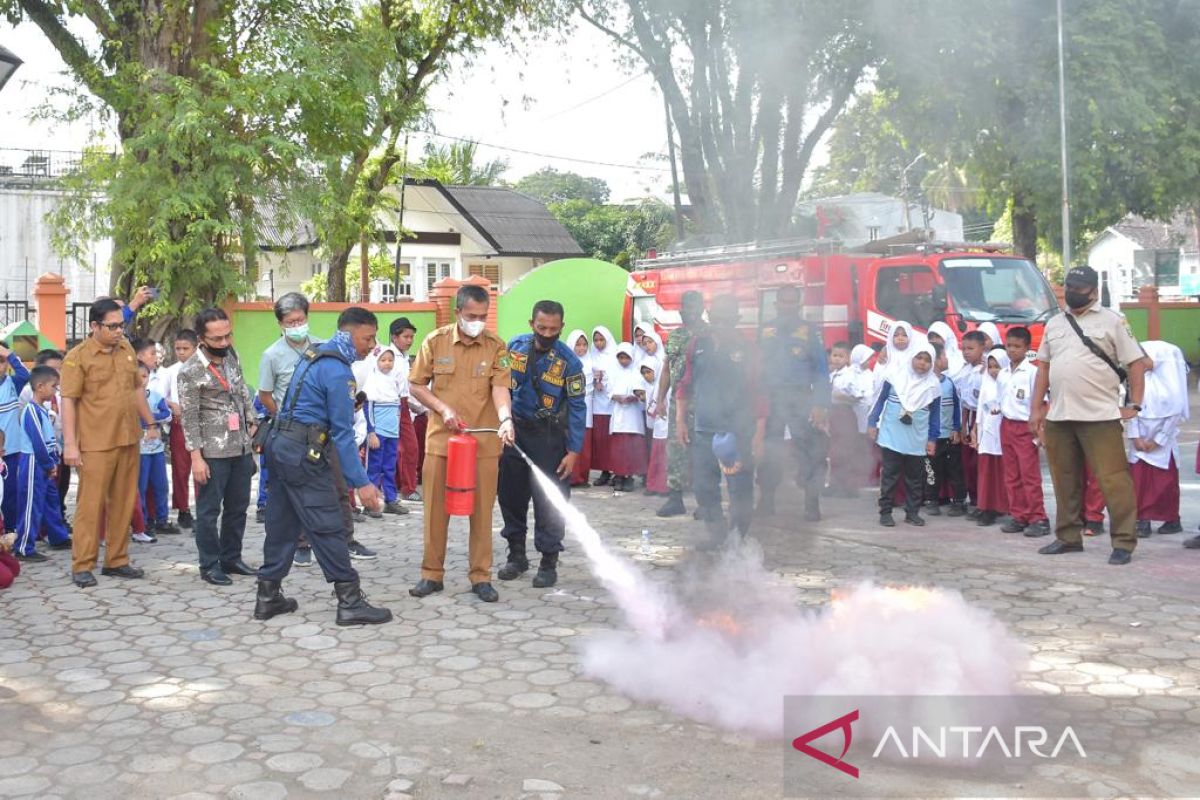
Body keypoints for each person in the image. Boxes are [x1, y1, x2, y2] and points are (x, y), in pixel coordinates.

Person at [256, 307, 392, 625]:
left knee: (282, 523)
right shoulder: (338, 370)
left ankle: (267, 596)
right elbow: (343, 435)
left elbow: (309, 404)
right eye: (367, 338)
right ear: (347, 334)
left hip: (280, 445)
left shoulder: (314, 355)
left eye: (374, 338)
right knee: (328, 524)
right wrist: (362, 483)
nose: (371, 346)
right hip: (304, 454)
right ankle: (350, 600)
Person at [1030, 266, 1150, 565]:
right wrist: (1036, 409)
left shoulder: (1113, 321)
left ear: (1093, 291)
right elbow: (1043, 367)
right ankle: (1068, 537)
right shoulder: (1055, 323)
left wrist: (1135, 405)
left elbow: (1136, 363)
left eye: (1079, 288)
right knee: (1064, 480)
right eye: (1069, 286)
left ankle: (1123, 541)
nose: (1072, 292)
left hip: (1101, 416)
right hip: (1060, 415)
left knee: (1114, 481)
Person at [408, 285, 514, 603]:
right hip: (442, 441)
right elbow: (416, 385)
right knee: (435, 512)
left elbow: (500, 387)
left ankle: (481, 577)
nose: (477, 321)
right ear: (458, 312)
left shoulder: (497, 346)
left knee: (481, 513)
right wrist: (443, 409)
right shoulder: (434, 341)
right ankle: (432, 575)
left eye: (483, 317)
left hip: (483, 443)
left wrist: (506, 418)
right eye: (471, 316)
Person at [60, 297, 161, 588]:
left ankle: (116, 560)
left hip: (128, 437)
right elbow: (69, 400)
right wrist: (70, 444)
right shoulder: (77, 357)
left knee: (124, 501)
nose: (119, 330)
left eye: (122, 325)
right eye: (113, 326)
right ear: (94, 326)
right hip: (95, 442)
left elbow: (137, 391)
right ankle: (82, 564)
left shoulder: (127, 349)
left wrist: (151, 423)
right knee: (90, 505)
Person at [497, 300, 586, 589]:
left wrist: (573, 451)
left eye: (553, 328)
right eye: (541, 327)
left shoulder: (570, 363)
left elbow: (577, 407)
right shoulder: (516, 348)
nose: (547, 333)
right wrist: (504, 422)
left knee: (550, 502)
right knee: (511, 496)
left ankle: (549, 561)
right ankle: (517, 556)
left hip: (549, 438)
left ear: (562, 327)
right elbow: (502, 387)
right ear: (531, 324)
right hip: (515, 432)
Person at [675, 294, 766, 544]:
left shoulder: (748, 349)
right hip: (704, 430)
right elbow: (685, 385)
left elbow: (759, 392)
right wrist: (680, 421)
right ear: (710, 318)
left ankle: (737, 539)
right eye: (717, 319)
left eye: (727, 320)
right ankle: (716, 536)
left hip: (737, 433)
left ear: (735, 320)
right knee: (704, 488)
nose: (721, 325)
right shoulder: (697, 345)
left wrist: (759, 434)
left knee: (739, 489)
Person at [178, 307, 258, 586]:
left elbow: (241, 390)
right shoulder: (190, 371)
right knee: (209, 511)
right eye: (217, 339)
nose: (224, 343)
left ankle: (231, 557)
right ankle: (210, 565)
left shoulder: (232, 356)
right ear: (202, 338)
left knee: (238, 507)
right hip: (212, 452)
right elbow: (188, 417)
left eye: (227, 336)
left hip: (240, 447)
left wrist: (252, 420)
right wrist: (196, 458)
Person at [757, 285, 830, 521]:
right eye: (783, 302)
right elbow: (755, 369)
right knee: (769, 450)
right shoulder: (765, 330)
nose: (787, 306)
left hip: (801, 398)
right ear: (776, 304)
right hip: (772, 397)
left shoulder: (810, 331)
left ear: (798, 305)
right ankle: (766, 501)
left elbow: (821, 369)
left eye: (792, 302)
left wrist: (820, 404)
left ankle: (812, 504)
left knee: (810, 451)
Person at [868, 342, 941, 527]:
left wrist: (932, 438)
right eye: (919, 358)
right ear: (911, 357)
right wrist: (872, 422)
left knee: (915, 478)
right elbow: (880, 401)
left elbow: (935, 416)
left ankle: (912, 512)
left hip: (917, 438)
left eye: (927, 360)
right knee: (890, 475)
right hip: (892, 434)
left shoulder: (933, 386)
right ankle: (885, 511)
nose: (922, 363)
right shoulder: (894, 376)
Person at [1127, 341, 1187, 538]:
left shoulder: (1172, 385)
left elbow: (1174, 414)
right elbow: (1132, 408)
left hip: (1162, 443)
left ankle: (1171, 518)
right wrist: (1135, 437)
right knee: (1138, 481)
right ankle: (1142, 519)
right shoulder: (1138, 380)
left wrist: (1158, 440)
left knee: (1164, 482)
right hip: (1140, 441)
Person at [654, 291, 706, 518]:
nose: (688, 312)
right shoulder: (675, 336)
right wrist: (660, 399)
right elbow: (667, 368)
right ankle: (675, 499)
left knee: (703, 452)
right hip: (678, 402)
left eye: (693, 307)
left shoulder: (710, 336)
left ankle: (706, 503)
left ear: (701, 309)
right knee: (676, 450)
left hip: (704, 402)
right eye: (685, 307)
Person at [13, 366, 71, 560]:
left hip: (45, 463)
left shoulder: (42, 410)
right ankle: (24, 547)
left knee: (50, 501)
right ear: (39, 386)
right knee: (31, 504)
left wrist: (53, 461)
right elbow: (38, 442)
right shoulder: (31, 411)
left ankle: (58, 537)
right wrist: (49, 464)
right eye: (54, 386)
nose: (56, 390)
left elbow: (49, 439)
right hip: (33, 463)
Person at [998, 327, 1050, 536]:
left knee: (1029, 475)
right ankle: (1019, 515)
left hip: (1025, 427)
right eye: (1009, 345)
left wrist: (1038, 429)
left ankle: (1039, 518)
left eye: (1017, 346)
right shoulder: (1003, 373)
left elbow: (1042, 403)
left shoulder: (1033, 372)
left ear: (1027, 348)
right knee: (1012, 475)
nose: (1012, 350)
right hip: (1007, 424)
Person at [160, 330, 198, 529]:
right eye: (178, 349)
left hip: (202, 424)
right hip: (180, 423)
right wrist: (171, 404)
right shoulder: (170, 371)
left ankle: (204, 507)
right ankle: (183, 509)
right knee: (180, 468)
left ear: (196, 347)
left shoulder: (205, 368)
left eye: (186, 349)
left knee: (203, 469)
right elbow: (159, 396)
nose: (181, 352)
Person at [925, 343, 967, 516]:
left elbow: (957, 407)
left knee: (954, 470)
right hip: (931, 438)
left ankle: (958, 502)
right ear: (936, 360)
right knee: (932, 471)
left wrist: (956, 428)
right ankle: (932, 500)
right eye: (944, 355)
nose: (947, 359)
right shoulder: (925, 383)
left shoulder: (949, 383)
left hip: (949, 436)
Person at [362, 349, 406, 514]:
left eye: (390, 360)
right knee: (374, 467)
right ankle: (370, 504)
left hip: (392, 433)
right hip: (378, 433)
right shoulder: (372, 381)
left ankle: (390, 499)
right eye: (383, 360)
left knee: (389, 467)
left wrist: (397, 431)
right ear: (376, 361)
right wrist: (371, 432)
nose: (387, 363)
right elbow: (368, 409)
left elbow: (397, 409)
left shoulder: (394, 381)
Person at [386, 317, 422, 503]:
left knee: (405, 448)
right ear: (394, 337)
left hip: (404, 405)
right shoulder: (387, 356)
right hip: (391, 404)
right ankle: (405, 488)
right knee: (404, 448)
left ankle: (405, 487)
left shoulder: (404, 357)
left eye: (411, 337)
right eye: (406, 336)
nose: (409, 340)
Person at [828, 342, 872, 492]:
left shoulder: (849, 375)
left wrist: (838, 395)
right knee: (834, 450)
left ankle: (848, 487)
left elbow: (857, 395)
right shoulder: (832, 374)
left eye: (841, 356)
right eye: (834, 355)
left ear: (848, 359)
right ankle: (835, 484)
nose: (837, 359)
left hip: (845, 413)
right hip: (833, 413)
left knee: (845, 450)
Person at [973, 347, 1009, 526]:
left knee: (1003, 471)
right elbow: (980, 408)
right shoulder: (985, 383)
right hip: (987, 432)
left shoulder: (1009, 383)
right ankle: (985, 507)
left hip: (1003, 432)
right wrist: (975, 431)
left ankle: (1003, 506)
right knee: (987, 471)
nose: (994, 370)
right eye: (991, 366)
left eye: (998, 367)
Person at [606, 343, 647, 493]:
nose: (623, 361)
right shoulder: (613, 372)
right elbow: (608, 390)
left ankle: (629, 477)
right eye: (621, 358)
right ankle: (618, 476)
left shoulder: (637, 373)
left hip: (633, 415)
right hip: (618, 415)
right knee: (618, 449)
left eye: (626, 358)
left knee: (631, 448)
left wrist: (634, 397)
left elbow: (643, 391)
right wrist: (616, 397)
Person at [954, 331, 987, 512]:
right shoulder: (964, 370)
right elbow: (965, 401)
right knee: (967, 464)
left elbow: (981, 403)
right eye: (964, 348)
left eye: (971, 348)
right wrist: (963, 426)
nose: (966, 352)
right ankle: (974, 499)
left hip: (982, 420)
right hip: (967, 418)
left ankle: (984, 501)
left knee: (979, 463)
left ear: (982, 348)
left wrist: (975, 426)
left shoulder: (986, 371)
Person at [0, 342, 30, 533]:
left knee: (11, 494)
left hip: (11, 451)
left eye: (1, 361)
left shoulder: (13, 383)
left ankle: (11, 533)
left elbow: (25, 375)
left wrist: (9, 354)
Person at [588, 325, 617, 487]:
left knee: (612, 438)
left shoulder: (615, 354)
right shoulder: (592, 356)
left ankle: (615, 470)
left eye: (601, 340)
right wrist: (595, 379)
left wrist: (605, 380)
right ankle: (604, 471)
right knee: (600, 439)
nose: (599, 343)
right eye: (596, 340)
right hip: (598, 404)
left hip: (612, 402)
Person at [566, 329, 594, 487]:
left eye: (584, 345)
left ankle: (583, 477)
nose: (581, 348)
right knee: (572, 440)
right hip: (572, 408)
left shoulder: (591, 363)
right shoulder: (568, 363)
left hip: (588, 407)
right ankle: (571, 476)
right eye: (578, 345)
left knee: (585, 443)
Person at [642, 356, 669, 496]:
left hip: (670, 424)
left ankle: (664, 487)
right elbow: (653, 403)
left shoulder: (673, 383)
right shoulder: (659, 384)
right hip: (660, 425)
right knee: (657, 458)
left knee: (666, 458)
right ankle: (653, 485)